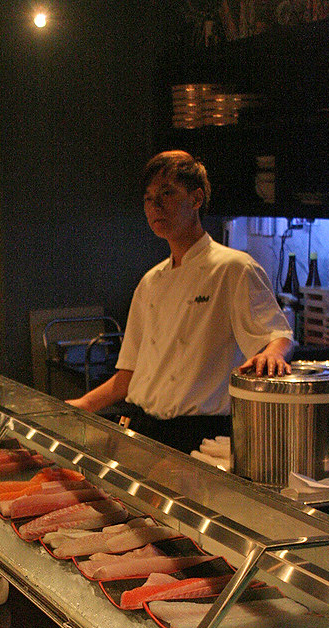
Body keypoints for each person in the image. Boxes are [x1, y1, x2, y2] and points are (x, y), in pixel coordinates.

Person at [67, 151, 295, 453]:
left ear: (196, 199)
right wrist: (83, 404)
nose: (155, 206)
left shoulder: (234, 268)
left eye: (167, 193)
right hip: (141, 428)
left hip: (200, 436)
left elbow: (277, 335)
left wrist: (275, 354)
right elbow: (129, 373)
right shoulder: (150, 281)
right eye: (148, 198)